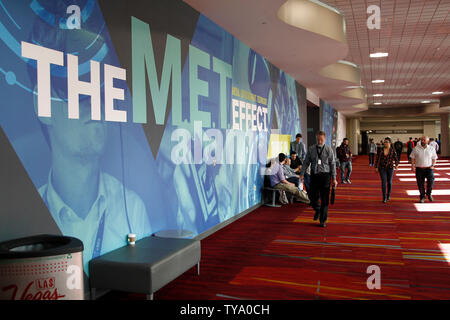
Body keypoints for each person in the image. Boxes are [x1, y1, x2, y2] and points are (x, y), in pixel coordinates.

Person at [299, 131, 337, 227]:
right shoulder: (311, 149)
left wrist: (334, 178)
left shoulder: (329, 150)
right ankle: (318, 209)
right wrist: (302, 173)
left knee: (325, 199)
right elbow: (306, 162)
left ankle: (322, 220)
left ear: (325, 139)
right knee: (312, 197)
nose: (320, 141)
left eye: (321, 139)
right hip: (314, 176)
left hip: (325, 176)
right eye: (318, 139)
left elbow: (333, 164)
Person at [410, 136, 438, 203]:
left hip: (429, 168)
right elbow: (412, 157)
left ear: (428, 141)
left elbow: (434, 158)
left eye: (424, 140)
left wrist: (433, 165)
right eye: (421, 140)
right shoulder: (416, 148)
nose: (422, 141)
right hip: (419, 169)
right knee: (420, 184)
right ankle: (422, 197)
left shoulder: (431, 148)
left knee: (431, 182)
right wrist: (413, 165)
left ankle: (429, 193)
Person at [375, 137, 399, 203]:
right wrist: (376, 167)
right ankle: (384, 197)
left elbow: (396, 158)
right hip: (382, 168)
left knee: (389, 182)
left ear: (390, 143)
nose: (385, 143)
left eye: (386, 142)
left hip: (390, 168)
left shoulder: (392, 150)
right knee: (383, 182)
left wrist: (396, 165)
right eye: (384, 142)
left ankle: (388, 195)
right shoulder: (381, 150)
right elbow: (377, 158)